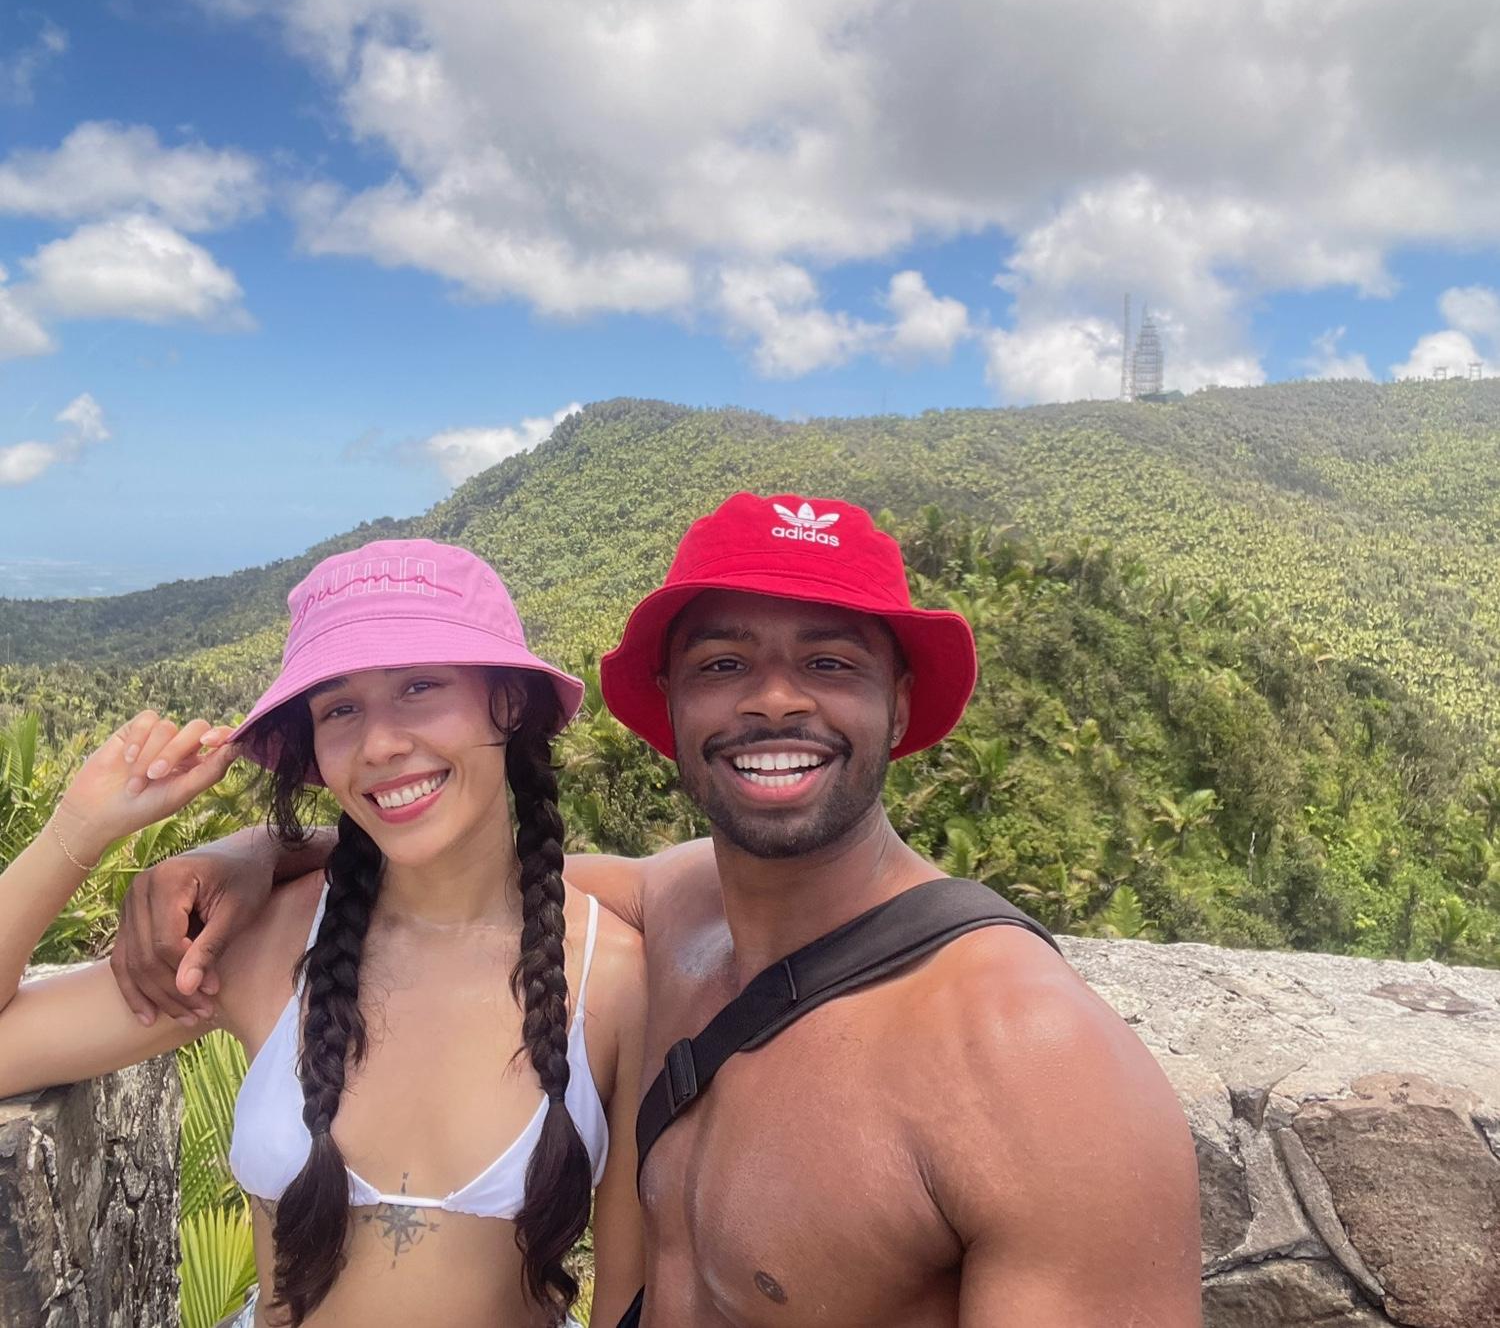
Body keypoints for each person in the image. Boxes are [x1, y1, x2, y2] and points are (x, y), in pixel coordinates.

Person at [115, 495, 1204, 1327]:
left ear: (900, 700)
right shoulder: (675, 905)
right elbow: (460, 865)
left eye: (829, 661)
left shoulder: (1028, 1060)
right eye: (725, 662)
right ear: (672, 702)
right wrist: (255, 851)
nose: (775, 699)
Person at [0, 539, 645, 1328]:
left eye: (419, 686)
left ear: (507, 702)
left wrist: (258, 848)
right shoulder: (263, 943)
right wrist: (77, 831)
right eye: (340, 708)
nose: (379, 745)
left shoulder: (614, 977)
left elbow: (629, 1301)